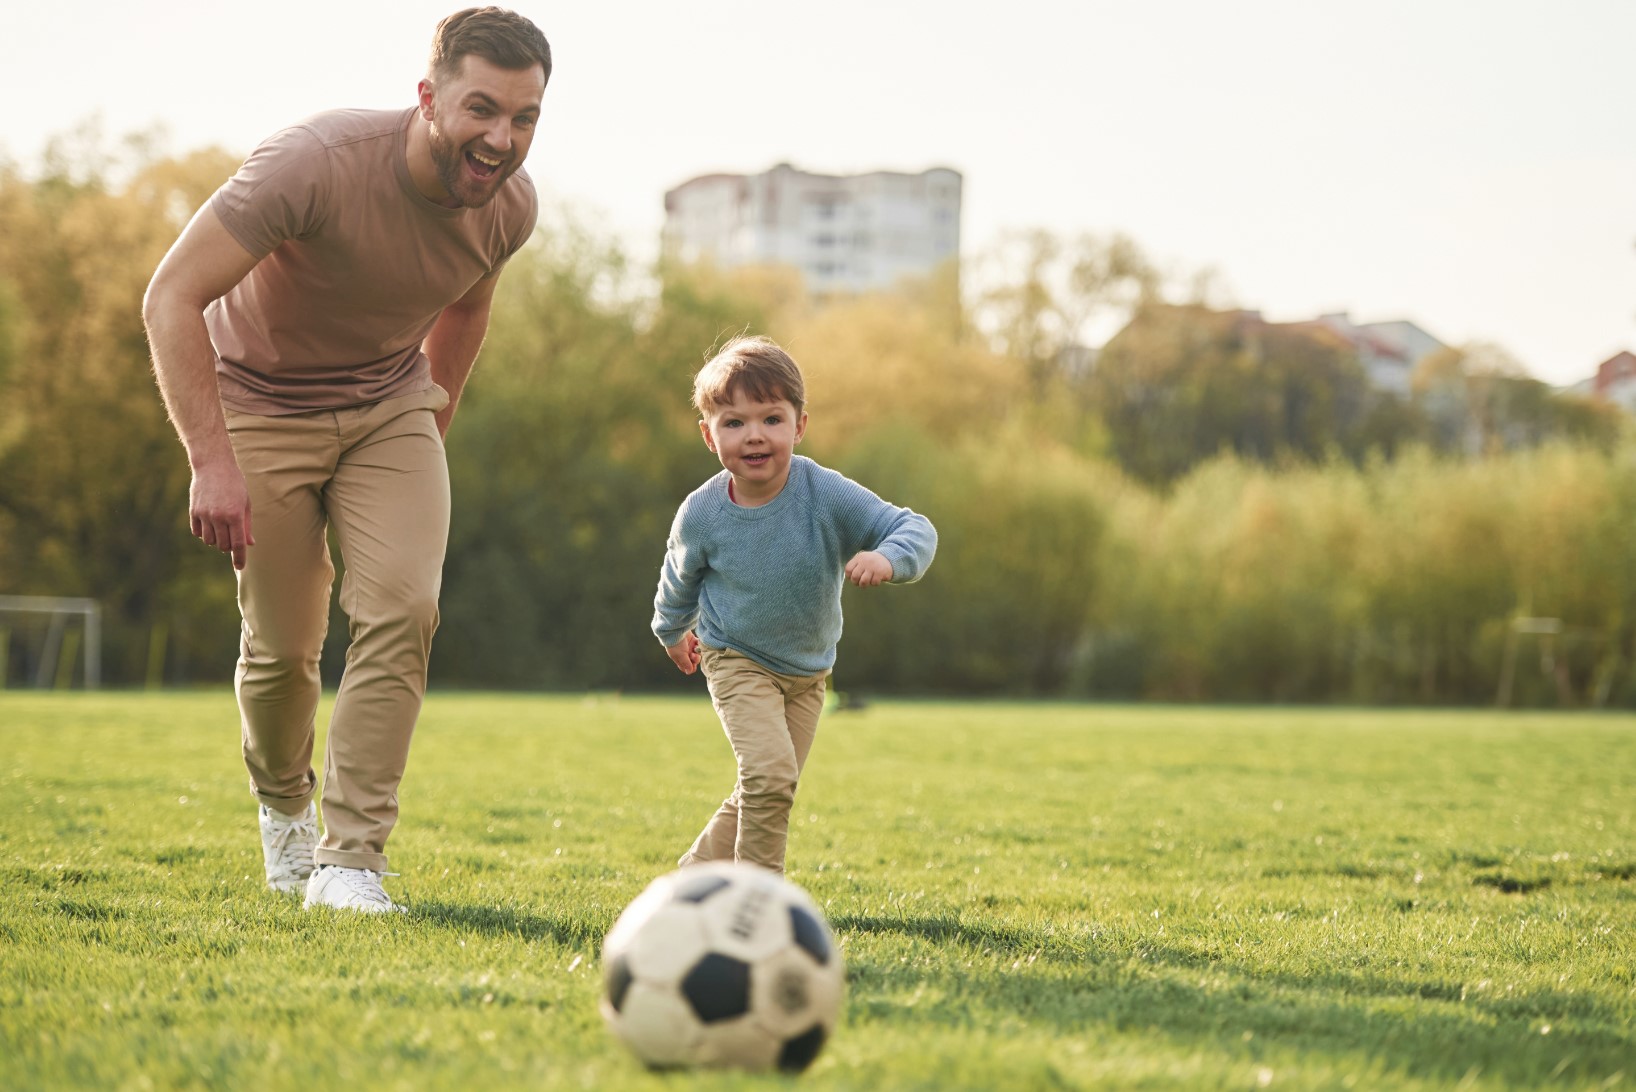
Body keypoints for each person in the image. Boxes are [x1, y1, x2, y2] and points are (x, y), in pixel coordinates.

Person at [142, 7, 551, 913]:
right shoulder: (314, 163)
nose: (502, 138)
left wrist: (426, 429)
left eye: (524, 118)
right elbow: (171, 296)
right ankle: (285, 813)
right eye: (482, 109)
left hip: (388, 408)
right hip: (258, 403)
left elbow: (466, 310)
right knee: (285, 650)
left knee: (405, 607)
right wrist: (210, 459)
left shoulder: (508, 207)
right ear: (427, 97)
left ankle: (350, 861)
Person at [652, 336, 937, 875]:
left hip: (808, 674)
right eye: (733, 422)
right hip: (735, 657)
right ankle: (758, 896)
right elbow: (677, 575)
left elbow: (912, 528)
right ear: (709, 436)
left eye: (771, 419)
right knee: (769, 777)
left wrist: (887, 558)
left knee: (764, 788)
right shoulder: (702, 513)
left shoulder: (823, 492)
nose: (754, 435)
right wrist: (671, 632)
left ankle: (687, 884)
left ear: (799, 425)